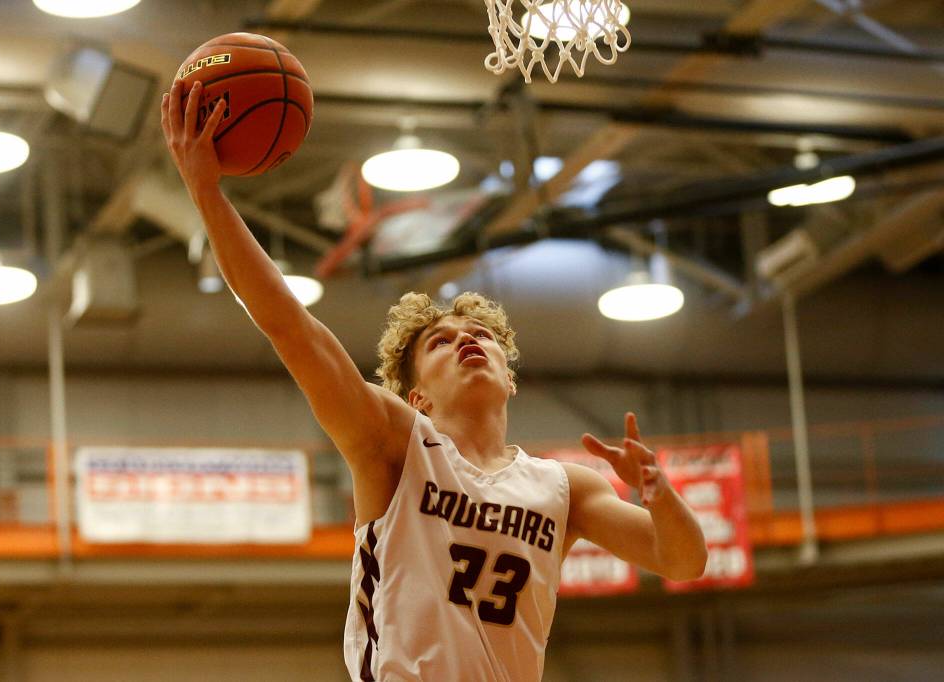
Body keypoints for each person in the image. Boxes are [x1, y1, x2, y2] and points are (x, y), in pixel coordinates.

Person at [161, 80, 708, 682]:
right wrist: (206, 193)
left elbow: (681, 561)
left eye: (482, 336)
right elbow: (292, 328)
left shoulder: (564, 488)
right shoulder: (394, 443)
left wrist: (661, 495)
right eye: (442, 342)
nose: (468, 340)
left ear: (510, 378)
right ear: (416, 395)